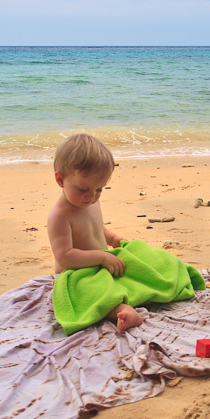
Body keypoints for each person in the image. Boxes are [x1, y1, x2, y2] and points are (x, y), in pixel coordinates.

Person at [47, 133, 141, 333]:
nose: (91, 196)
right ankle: (121, 310)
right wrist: (101, 257)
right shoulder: (60, 216)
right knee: (92, 293)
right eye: (83, 189)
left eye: (99, 189)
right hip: (75, 275)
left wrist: (113, 238)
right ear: (60, 179)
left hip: (100, 264)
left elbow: (96, 229)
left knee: (138, 262)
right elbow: (65, 257)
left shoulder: (88, 203)